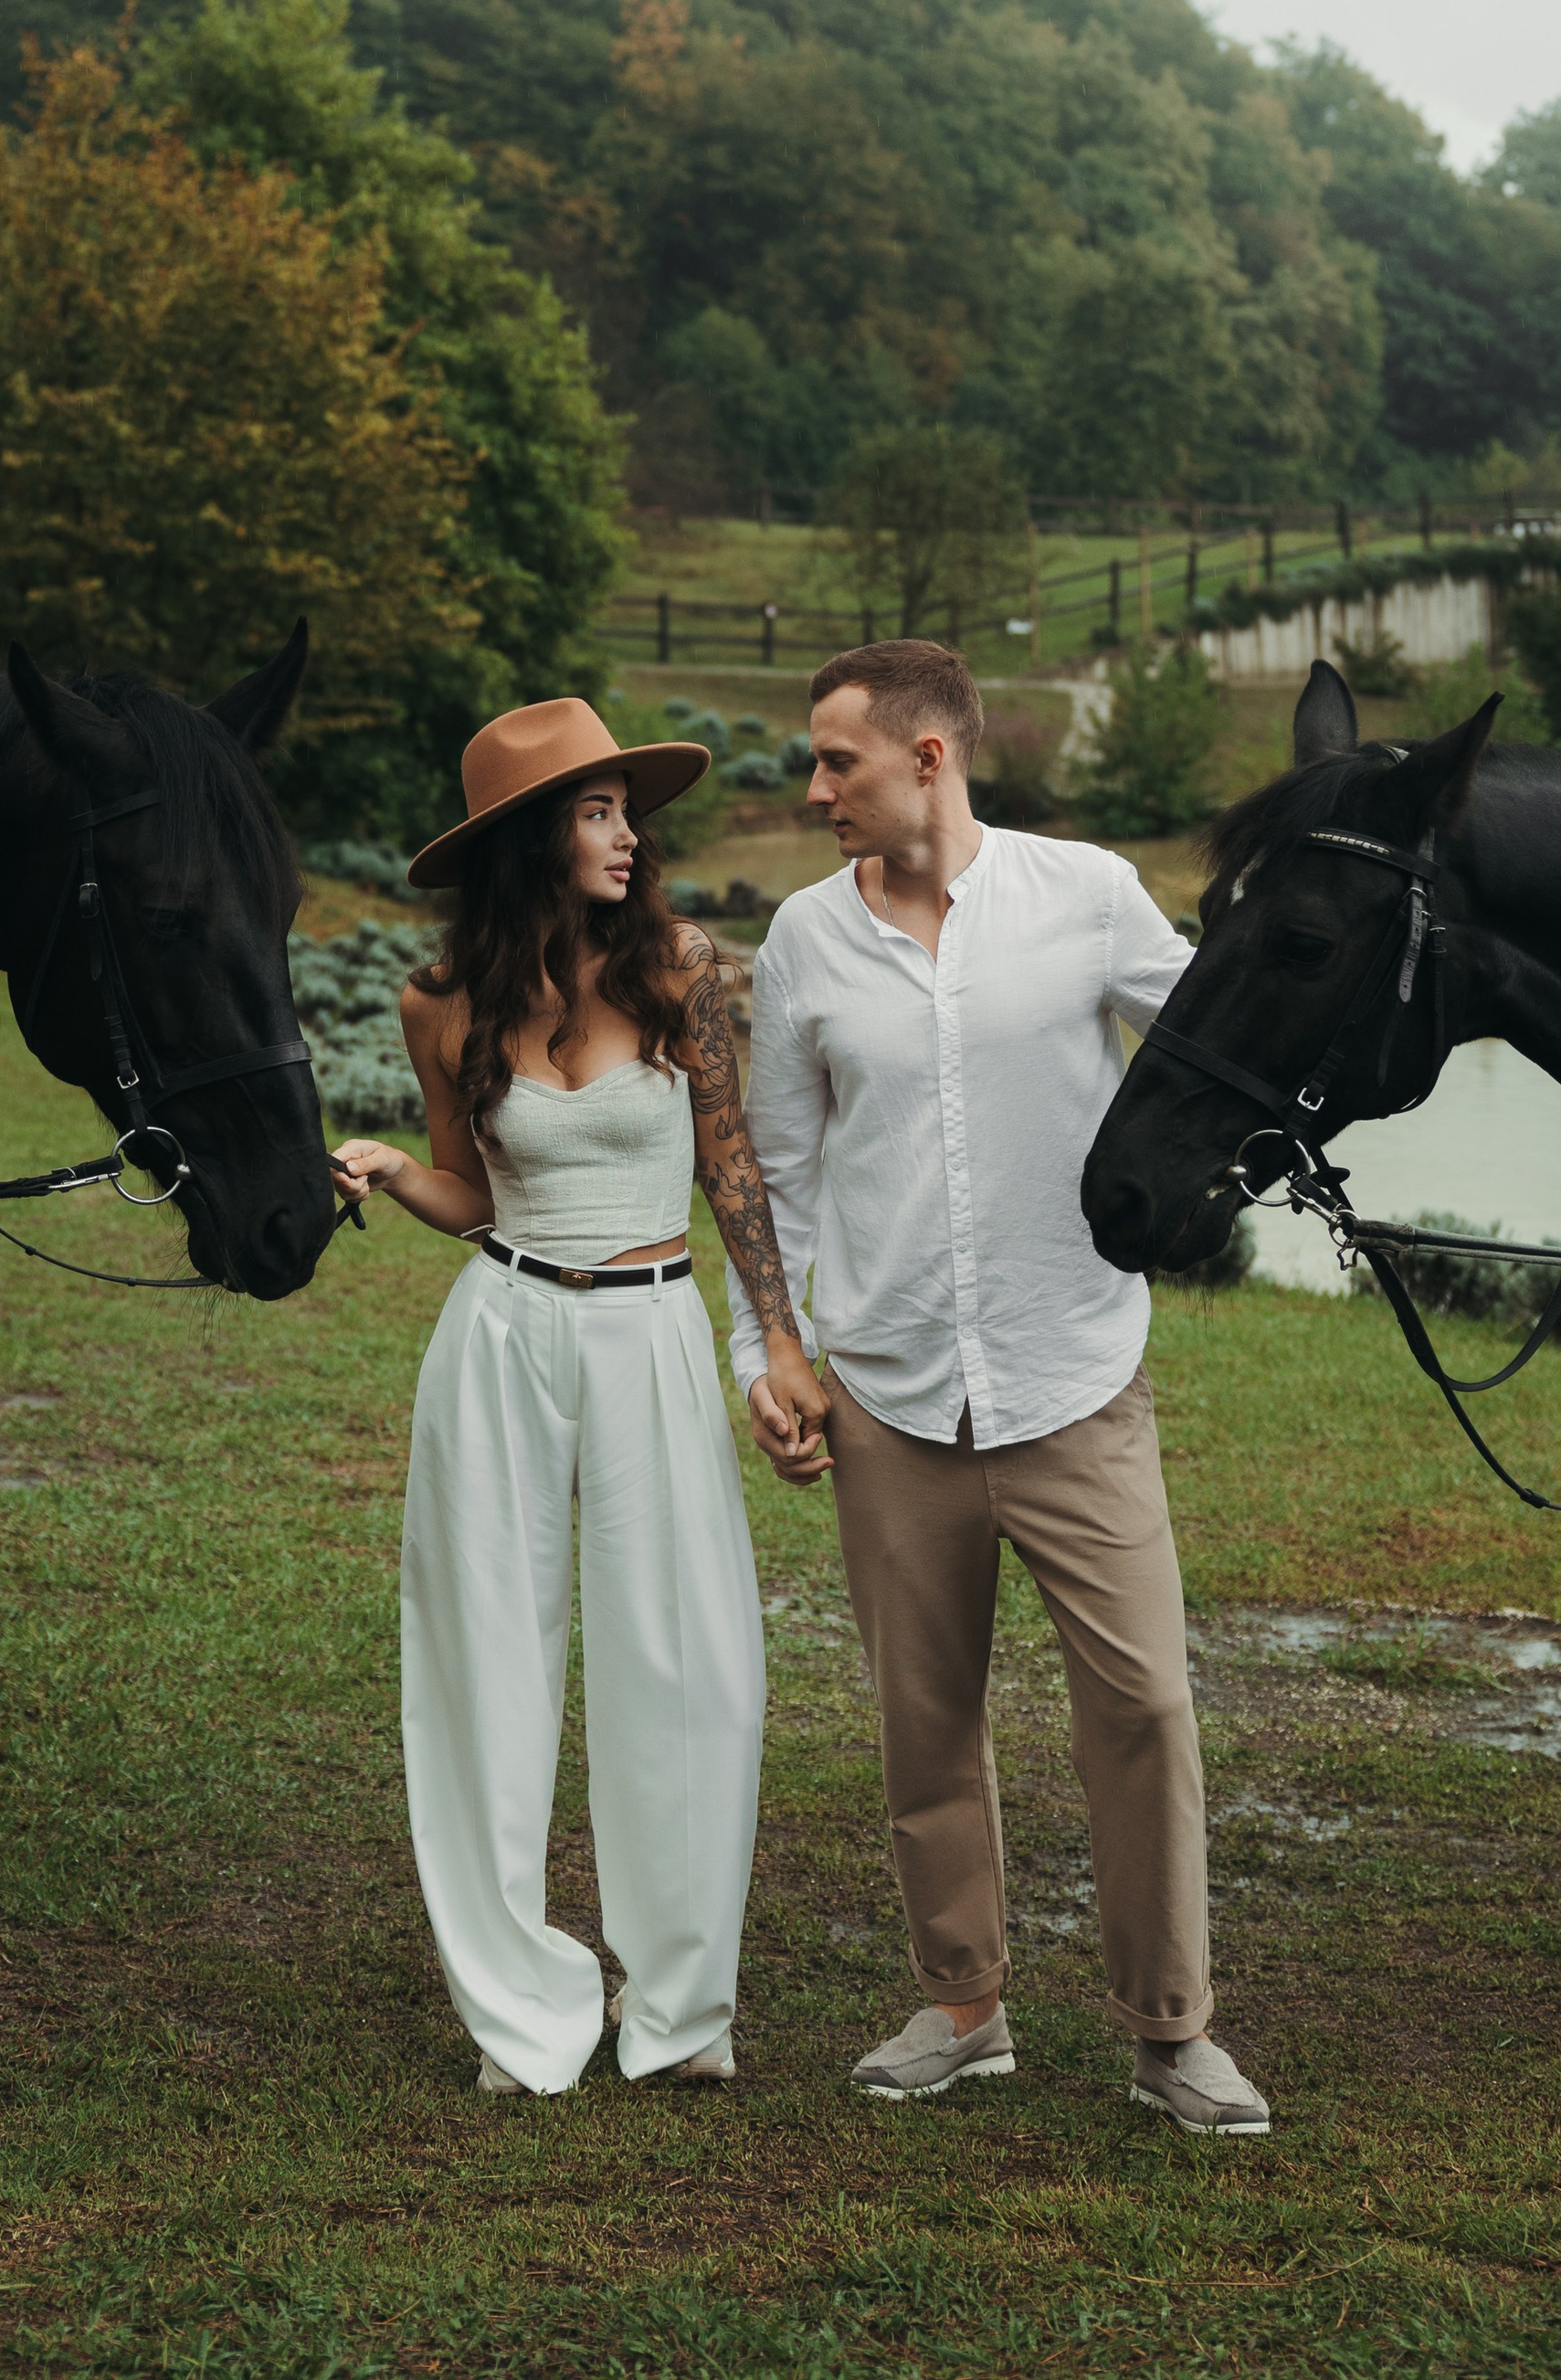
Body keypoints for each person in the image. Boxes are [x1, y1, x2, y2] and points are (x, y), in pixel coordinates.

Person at [729, 640, 1271, 2136]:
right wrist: (766, 1350)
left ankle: (1174, 2032)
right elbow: (769, 1172)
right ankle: (964, 2006)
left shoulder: (1086, 894)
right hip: (891, 1393)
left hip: (1076, 1374)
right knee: (922, 1721)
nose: (815, 783)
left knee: (1147, 1704)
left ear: (929, 757)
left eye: (838, 757)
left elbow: (1229, 1041)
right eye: (813, 758)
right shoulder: (801, 942)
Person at [333, 697, 828, 2097]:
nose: (629, 834)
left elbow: (733, 1171)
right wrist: (382, 1164)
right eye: (599, 810)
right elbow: (474, 1188)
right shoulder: (443, 1000)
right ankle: (520, 2006)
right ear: (528, 839)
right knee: (482, 1660)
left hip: (651, 1333)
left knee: (683, 1665)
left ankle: (677, 2009)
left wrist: (777, 1347)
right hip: (498, 1334)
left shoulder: (680, 968)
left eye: (629, 809)